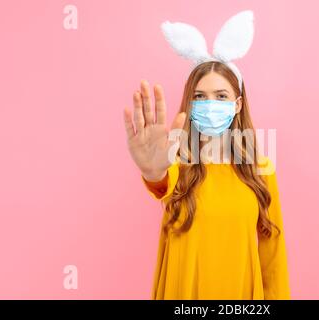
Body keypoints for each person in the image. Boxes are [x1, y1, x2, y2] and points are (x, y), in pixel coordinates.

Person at [123, 10, 291, 300]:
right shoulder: (177, 160)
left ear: (237, 104)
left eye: (221, 96)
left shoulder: (261, 168)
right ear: (189, 103)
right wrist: (153, 173)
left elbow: (272, 255)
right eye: (199, 96)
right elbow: (162, 183)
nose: (209, 103)